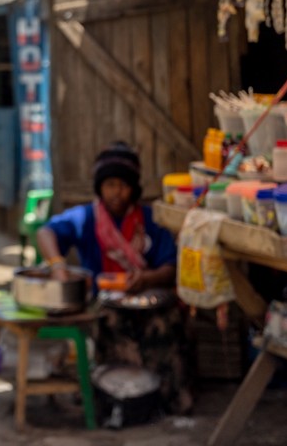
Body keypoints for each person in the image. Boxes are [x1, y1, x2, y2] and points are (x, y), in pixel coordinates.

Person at [36, 142, 192, 415]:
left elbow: (171, 267)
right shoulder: (85, 218)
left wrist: (146, 278)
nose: (116, 192)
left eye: (123, 185)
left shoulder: (151, 219)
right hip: (106, 304)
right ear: (100, 187)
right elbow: (45, 233)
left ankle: (166, 397)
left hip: (152, 300)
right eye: (109, 185)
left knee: (166, 324)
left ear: (134, 188)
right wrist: (58, 266)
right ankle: (112, 399)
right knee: (107, 323)